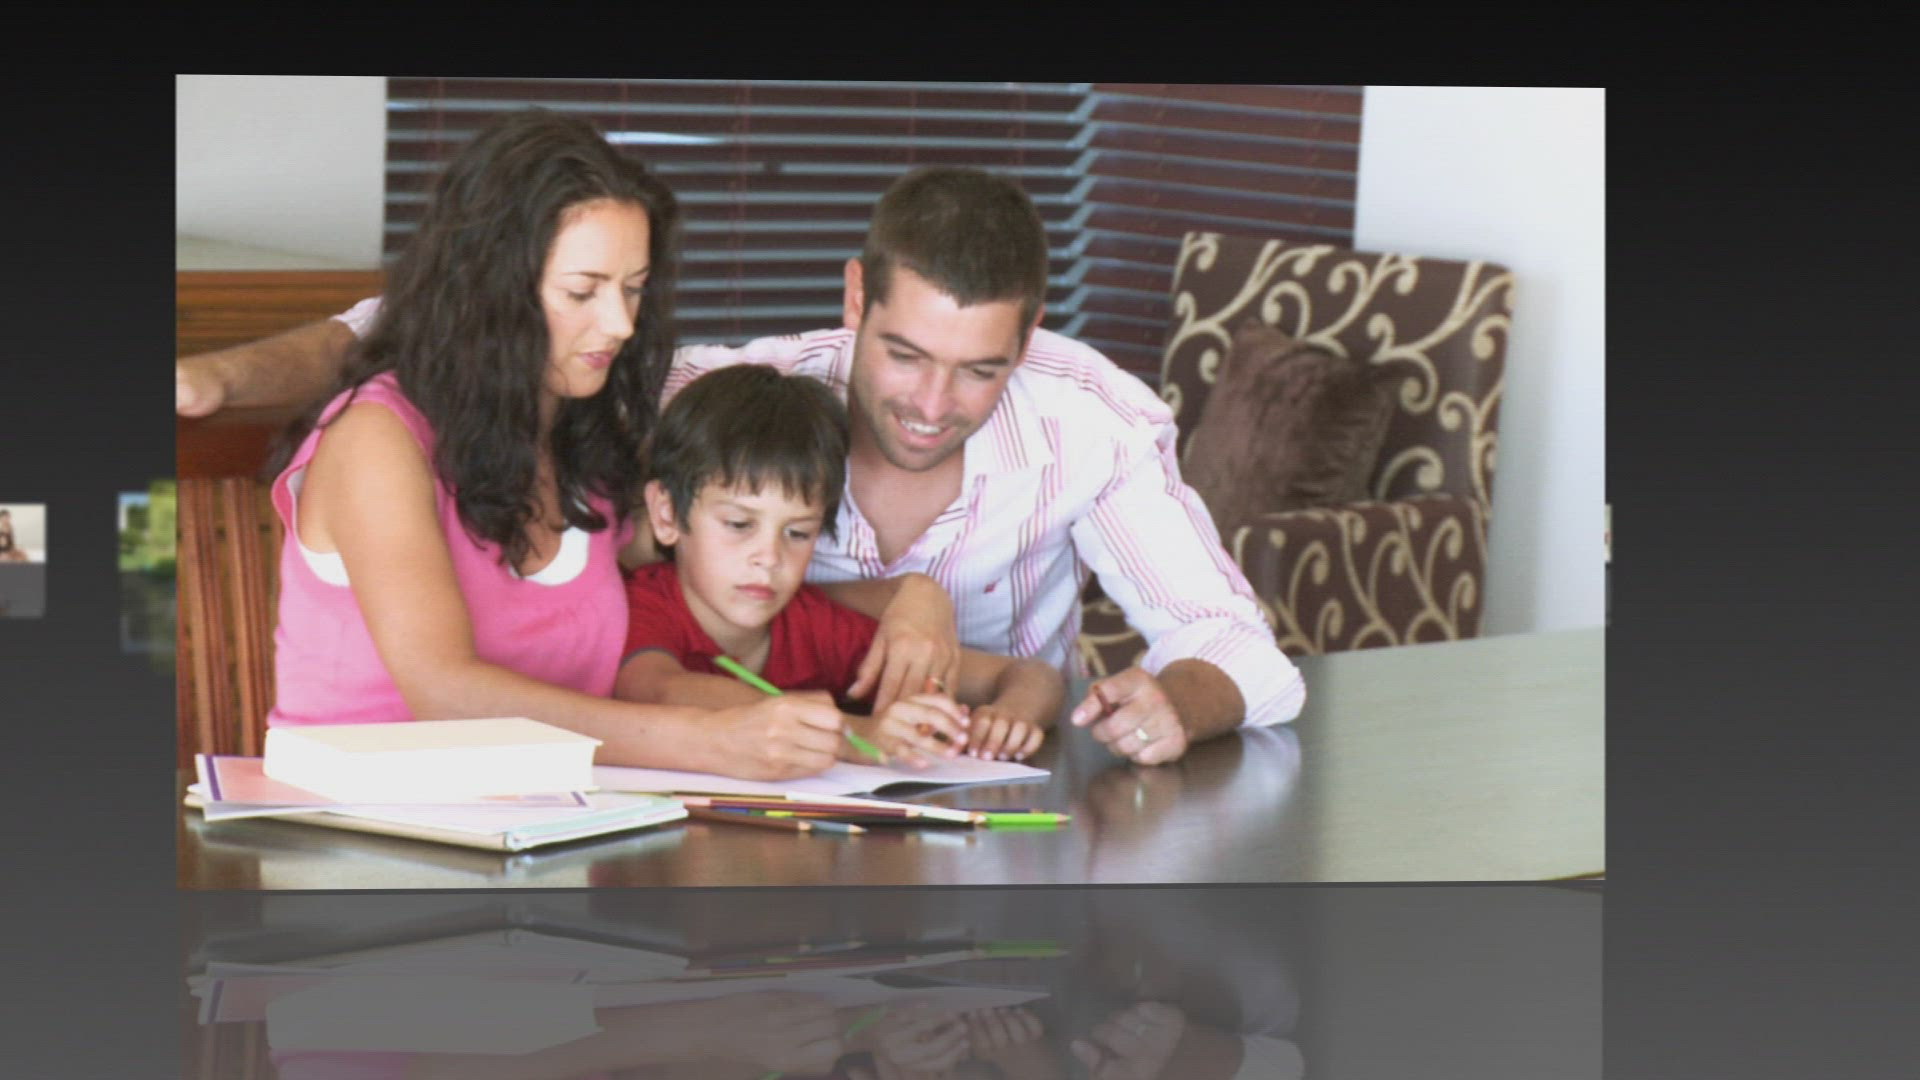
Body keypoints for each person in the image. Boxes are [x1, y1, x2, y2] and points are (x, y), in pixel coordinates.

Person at [178, 166, 1305, 765]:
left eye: (980, 371)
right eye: (905, 355)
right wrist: (221, 379)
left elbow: (1237, 646)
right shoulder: (727, 397)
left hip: (954, 818)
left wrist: (1176, 704)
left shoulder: (1091, 420)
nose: (931, 404)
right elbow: (421, 324)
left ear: (1031, 335)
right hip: (689, 798)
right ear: (855, 298)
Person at [255, 108, 927, 782]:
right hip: (355, 815)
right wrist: (706, 740)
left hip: (560, 815)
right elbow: (445, 694)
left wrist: (912, 599)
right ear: (491, 292)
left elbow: (723, 563)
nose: (622, 324)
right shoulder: (377, 437)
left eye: (634, 290)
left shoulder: (587, 443)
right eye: (583, 291)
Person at [616, 364, 1063, 767]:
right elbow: (657, 689)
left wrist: (1007, 718)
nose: (769, 557)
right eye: (739, 524)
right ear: (666, 515)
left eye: (797, 533)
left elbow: (1029, 675)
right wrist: (854, 735)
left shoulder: (813, 626)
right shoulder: (643, 604)